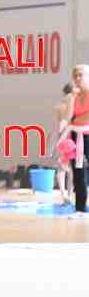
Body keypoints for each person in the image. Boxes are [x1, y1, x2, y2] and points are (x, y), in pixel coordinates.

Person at [63, 64, 89, 218]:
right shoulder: (73, 96)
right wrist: (72, 99)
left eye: (81, 75)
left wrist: (76, 120)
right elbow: (68, 118)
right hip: (76, 136)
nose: (78, 78)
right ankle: (80, 209)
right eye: (75, 76)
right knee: (78, 172)